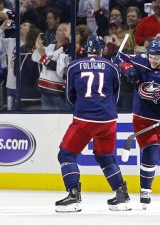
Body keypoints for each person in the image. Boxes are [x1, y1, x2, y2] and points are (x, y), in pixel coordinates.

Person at [55, 35, 130, 213]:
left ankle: (73, 196)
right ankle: (122, 195)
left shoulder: (74, 65)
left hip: (84, 119)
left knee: (66, 155)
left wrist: (84, 105)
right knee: (105, 157)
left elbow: (69, 96)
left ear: (85, 49)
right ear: (102, 50)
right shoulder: (112, 66)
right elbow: (116, 95)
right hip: (108, 119)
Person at [115, 37, 160, 209]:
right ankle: (145, 190)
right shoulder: (140, 61)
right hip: (142, 118)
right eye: (150, 55)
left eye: (156, 56)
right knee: (150, 152)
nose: (152, 59)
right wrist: (127, 68)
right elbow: (117, 58)